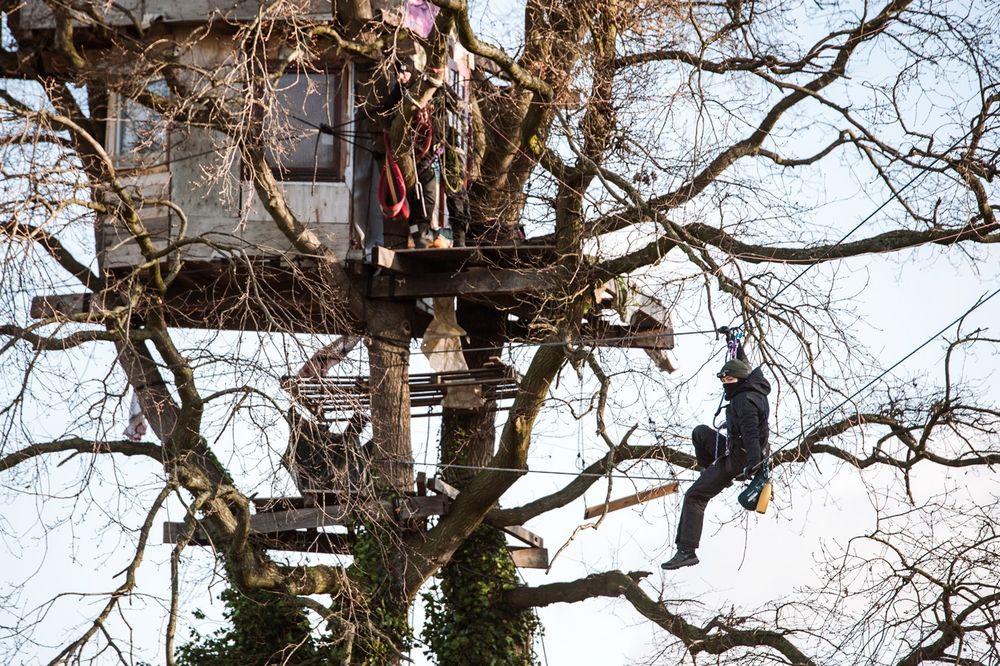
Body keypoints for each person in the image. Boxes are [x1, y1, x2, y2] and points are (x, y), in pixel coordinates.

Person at [661, 347, 771, 570]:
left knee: (695, 496)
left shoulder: (743, 401)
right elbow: (743, 365)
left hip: (741, 459)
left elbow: (750, 433)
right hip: (737, 450)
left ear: (738, 380)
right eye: (723, 378)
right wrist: (736, 345)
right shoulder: (752, 386)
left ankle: (686, 551)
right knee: (700, 433)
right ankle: (709, 471)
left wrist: (753, 463)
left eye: (729, 379)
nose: (725, 383)